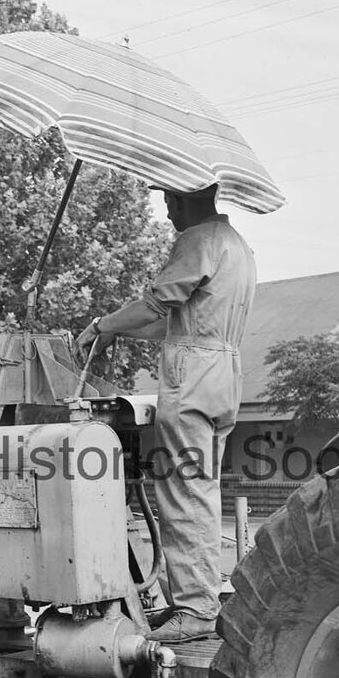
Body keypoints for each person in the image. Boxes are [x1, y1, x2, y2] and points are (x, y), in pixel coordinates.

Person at [75, 184, 256, 643]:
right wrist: (120, 332)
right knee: (201, 489)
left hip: (191, 376)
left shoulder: (197, 240)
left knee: (182, 491)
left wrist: (101, 325)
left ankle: (194, 610)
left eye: (170, 200)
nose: (167, 209)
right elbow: (174, 320)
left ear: (185, 199)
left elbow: (157, 302)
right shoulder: (237, 247)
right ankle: (200, 601)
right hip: (224, 372)